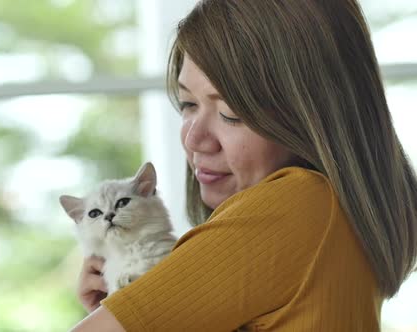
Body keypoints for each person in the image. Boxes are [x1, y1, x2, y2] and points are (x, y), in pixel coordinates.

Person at [70, 0, 417, 331]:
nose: (194, 139)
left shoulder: (292, 204)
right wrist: (135, 306)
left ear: (312, 118)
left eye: (230, 114)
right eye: (187, 103)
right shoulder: (331, 214)